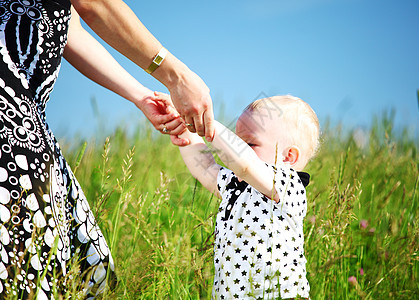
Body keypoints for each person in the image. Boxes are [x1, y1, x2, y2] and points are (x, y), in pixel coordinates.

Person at [0, 0, 206, 298]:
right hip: (10, 119)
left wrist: (142, 96)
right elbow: (94, 4)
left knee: (70, 268)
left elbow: (69, 30)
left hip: (26, 116)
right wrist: (177, 75)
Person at [165, 93, 320, 299]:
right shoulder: (236, 185)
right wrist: (184, 125)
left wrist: (206, 122)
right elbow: (205, 167)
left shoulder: (287, 186)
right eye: (237, 141)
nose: (236, 149)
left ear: (288, 157)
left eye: (250, 144)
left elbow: (245, 163)